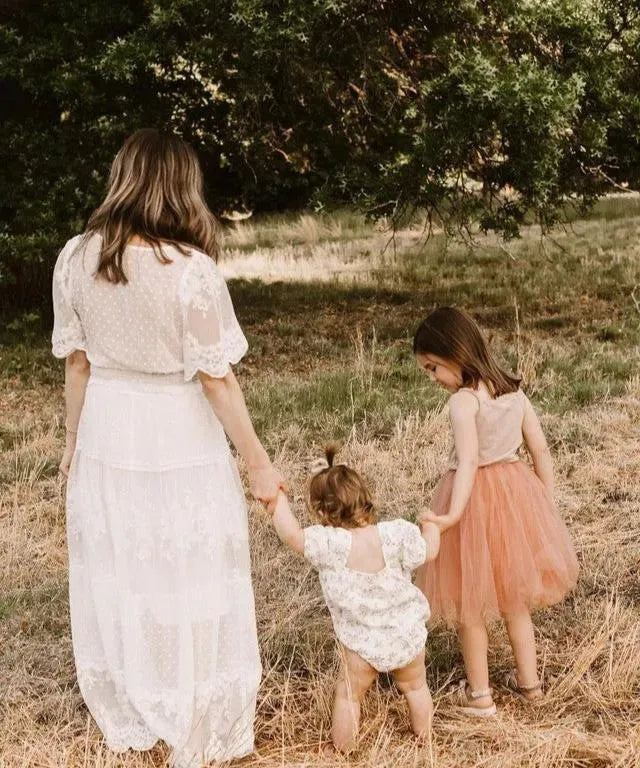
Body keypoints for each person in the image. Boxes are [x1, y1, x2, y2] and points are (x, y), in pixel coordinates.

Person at [51, 129, 284, 767]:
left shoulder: (75, 257)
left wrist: (72, 442)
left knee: (125, 562)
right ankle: (189, 702)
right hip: (177, 428)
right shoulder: (191, 272)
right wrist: (258, 463)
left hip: (107, 425)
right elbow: (216, 377)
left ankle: (138, 698)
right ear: (183, 186)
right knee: (190, 561)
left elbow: (77, 364)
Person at [414, 306, 579, 716]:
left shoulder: (464, 403)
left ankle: (481, 696)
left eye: (433, 368)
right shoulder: (513, 392)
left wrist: (452, 514)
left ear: (455, 352)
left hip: (474, 503)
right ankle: (531, 686)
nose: (433, 379)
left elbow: (468, 462)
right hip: (516, 494)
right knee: (513, 599)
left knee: (472, 603)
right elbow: (540, 450)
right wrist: (545, 501)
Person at [266, 445, 440, 752]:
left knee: (349, 694)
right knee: (416, 686)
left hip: (361, 642)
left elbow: (292, 535)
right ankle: (425, 739)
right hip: (405, 633)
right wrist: (431, 526)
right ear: (364, 497)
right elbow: (429, 551)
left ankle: (343, 750)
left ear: (321, 512)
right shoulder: (395, 534)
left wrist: (276, 500)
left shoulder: (331, 544)